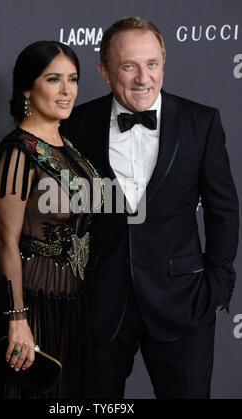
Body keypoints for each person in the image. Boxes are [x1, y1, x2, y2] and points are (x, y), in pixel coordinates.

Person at [60, 17, 239, 399]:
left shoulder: (201, 122)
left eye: (152, 64)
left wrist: (218, 287)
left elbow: (223, 209)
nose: (144, 78)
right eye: (129, 66)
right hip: (101, 303)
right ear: (104, 71)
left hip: (183, 300)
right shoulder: (75, 125)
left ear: (163, 63)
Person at [0, 40, 102, 399]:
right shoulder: (17, 153)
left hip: (72, 306)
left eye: (72, 79)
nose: (66, 90)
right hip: (28, 306)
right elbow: (5, 240)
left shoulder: (70, 149)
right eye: (53, 79)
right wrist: (17, 319)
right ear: (28, 88)